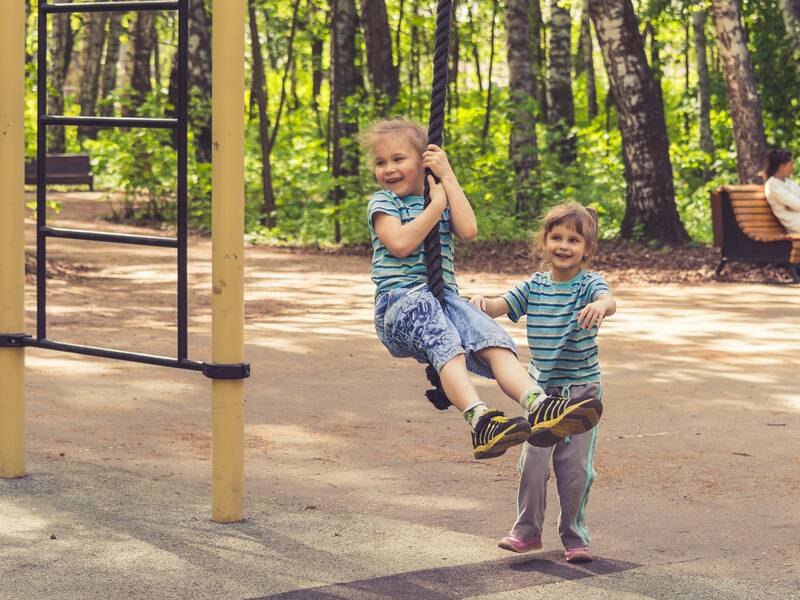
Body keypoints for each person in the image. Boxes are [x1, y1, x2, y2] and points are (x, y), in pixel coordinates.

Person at [364, 118, 601, 460]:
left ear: (425, 160)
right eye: (380, 162)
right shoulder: (384, 203)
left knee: (493, 339)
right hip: (399, 304)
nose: (388, 169)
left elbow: (469, 228)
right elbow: (399, 244)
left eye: (398, 159)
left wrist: (447, 177)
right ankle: (480, 419)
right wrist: (435, 207)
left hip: (442, 300)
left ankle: (539, 405)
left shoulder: (439, 194)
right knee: (448, 345)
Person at [470, 202, 615, 562]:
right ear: (545, 241)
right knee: (532, 464)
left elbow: (608, 300)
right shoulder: (534, 286)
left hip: (581, 394)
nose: (564, 246)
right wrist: (478, 304)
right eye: (557, 237)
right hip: (540, 394)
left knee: (575, 470)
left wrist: (601, 306)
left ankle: (574, 535)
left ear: (587, 249)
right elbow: (500, 305)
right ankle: (527, 531)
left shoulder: (588, 285)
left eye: (574, 240)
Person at [763, 149, 800, 234]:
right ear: (781, 166)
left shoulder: (790, 183)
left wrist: (792, 207)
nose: (792, 167)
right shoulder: (772, 186)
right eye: (791, 164)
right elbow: (798, 205)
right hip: (796, 224)